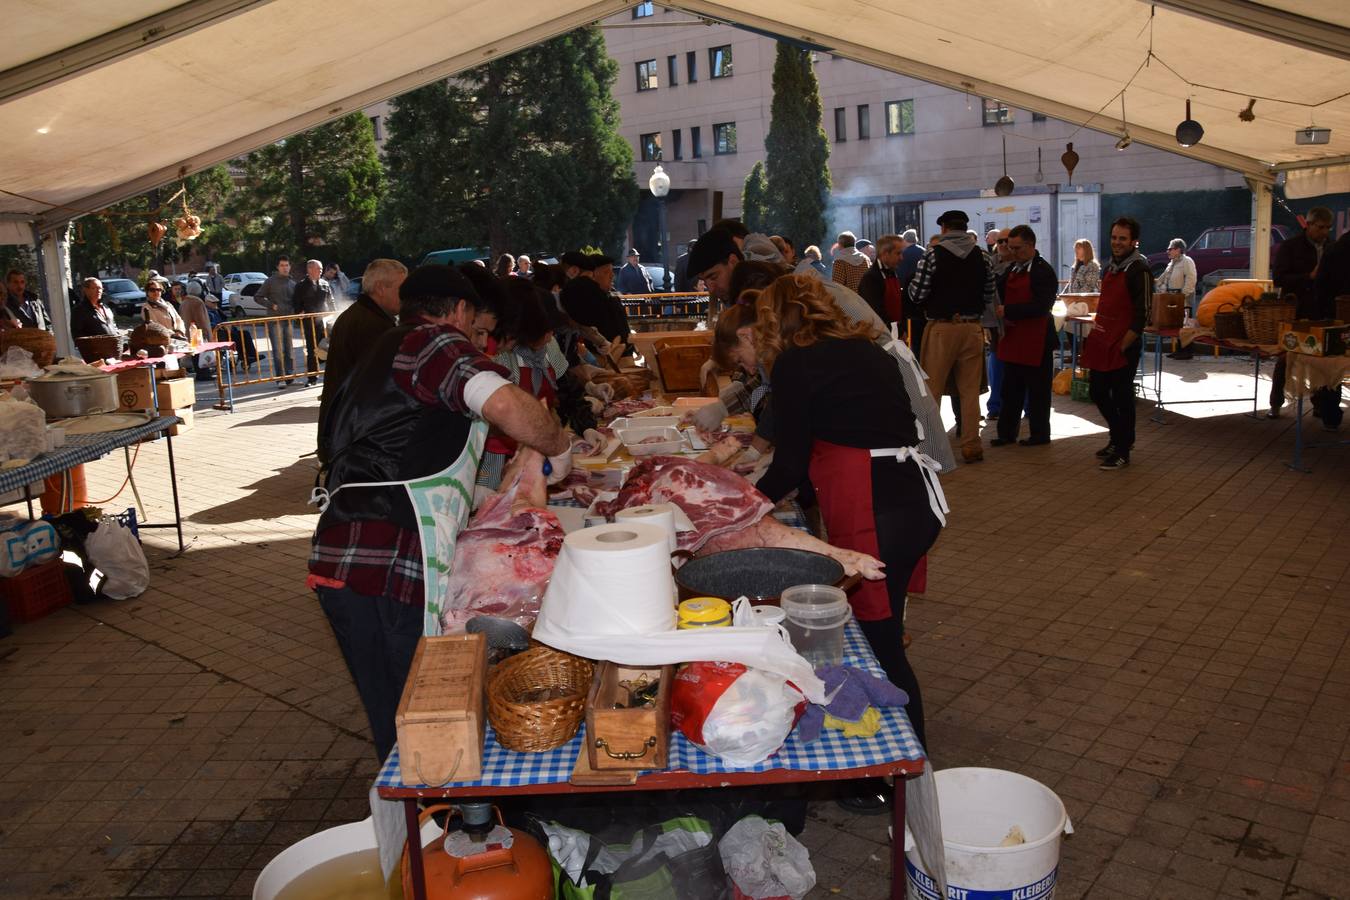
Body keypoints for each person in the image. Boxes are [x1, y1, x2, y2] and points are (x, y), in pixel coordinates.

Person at [309, 264, 572, 762]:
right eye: (477, 327)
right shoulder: (430, 343)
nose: (480, 341)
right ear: (457, 311)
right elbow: (509, 407)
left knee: (408, 717)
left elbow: (418, 454)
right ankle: (429, 826)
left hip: (363, 561)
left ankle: (430, 816)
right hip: (382, 566)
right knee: (418, 722)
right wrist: (558, 445)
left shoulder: (394, 348)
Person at [750, 274, 945, 752]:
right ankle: (893, 748)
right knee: (881, 635)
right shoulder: (867, 350)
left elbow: (791, 464)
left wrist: (743, 504)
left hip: (875, 507)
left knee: (882, 648)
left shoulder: (796, 363)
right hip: (912, 501)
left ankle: (907, 764)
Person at [908, 209, 996, 463]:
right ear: (965, 228)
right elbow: (988, 293)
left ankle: (932, 448)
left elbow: (917, 293)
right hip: (972, 328)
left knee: (932, 389)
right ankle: (971, 446)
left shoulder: (933, 256)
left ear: (944, 229)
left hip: (942, 328)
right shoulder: (983, 257)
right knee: (969, 391)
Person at [318, 259, 408, 462]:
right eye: (401, 289)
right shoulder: (371, 324)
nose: (405, 297)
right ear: (380, 288)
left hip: (347, 431)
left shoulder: (362, 316)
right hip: (354, 436)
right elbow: (378, 386)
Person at [1083, 217, 1150, 470]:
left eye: (1122, 238)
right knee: (1097, 392)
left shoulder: (1139, 269)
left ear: (1134, 241)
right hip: (1104, 342)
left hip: (1123, 346)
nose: (1117, 242)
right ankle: (1119, 438)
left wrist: (1123, 345)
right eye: (1114, 237)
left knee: (1122, 399)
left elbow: (1143, 314)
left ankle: (1123, 450)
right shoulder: (1111, 267)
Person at [992, 225, 1058, 447]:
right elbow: (996, 291)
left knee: (1038, 393)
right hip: (1013, 338)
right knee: (1010, 391)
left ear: (1031, 246)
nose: (1012, 252)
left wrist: (1009, 311)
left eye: (1017, 248)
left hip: (1037, 340)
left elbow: (1042, 306)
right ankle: (1006, 434)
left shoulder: (1043, 271)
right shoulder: (1012, 269)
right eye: (1010, 248)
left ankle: (1040, 435)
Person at [1267, 207, 1334, 419]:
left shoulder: (1333, 248)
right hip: (1296, 311)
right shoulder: (1290, 247)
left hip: (1322, 311)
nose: (1324, 232)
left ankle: (1320, 405)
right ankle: (1276, 403)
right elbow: (1278, 278)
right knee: (1286, 358)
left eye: (1328, 228)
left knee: (1322, 361)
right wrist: (1309, 277)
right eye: (1320, 227)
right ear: (1309, 224)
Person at [1311, 221, 1350, 430]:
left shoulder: (1333, 248)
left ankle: (1330, 415)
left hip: (1332, 316)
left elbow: (1320, 284)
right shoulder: (1335, 248)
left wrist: (1321, 313)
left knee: (1331, 366)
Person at [255, 257, 298, 386]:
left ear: (290, 267)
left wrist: (298, 310)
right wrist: (270, 305)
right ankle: (280, 378)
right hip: (275, 320)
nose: (285, 267)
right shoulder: (270, 281)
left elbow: (296, 301)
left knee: (289, 349)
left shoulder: (292, 283)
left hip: (289, 320)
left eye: (287, 265)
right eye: (282, 265)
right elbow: (258, 296)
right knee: (278, 351)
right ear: (278, 267)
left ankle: (289, 376)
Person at [292, 259, 335, 386]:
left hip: (325, 321)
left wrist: (334, 312)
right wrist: (299, 312)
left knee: (329, 348)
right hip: (309, 322)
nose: (321, 271)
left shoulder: (324, 283)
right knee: (312, 350)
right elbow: (296, 303)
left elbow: (330, 300)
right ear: (310, 269)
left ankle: (331, 376)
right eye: (319, 269)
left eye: (321, 269)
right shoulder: (300, 285)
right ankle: (312, 378)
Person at [1159, 238, 1200, 360]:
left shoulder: (1187, 261)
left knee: (1185, 326)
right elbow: (1162, 280)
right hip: (1173, 298)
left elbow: (1191, 280)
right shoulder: (1171, 264)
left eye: (1170, 248)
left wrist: (1182, 295)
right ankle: (1179, 350)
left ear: (1178, 250)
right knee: (1177, 325)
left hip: (1183, 299)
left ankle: (1187, 352)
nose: (1168, 251)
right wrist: (1163, 290)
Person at [857, 234, 905, 325]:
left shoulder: (892, 271)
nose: (901, 258)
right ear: (886, 253)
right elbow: (875, 313)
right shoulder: (871, 278)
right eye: (898, 253)